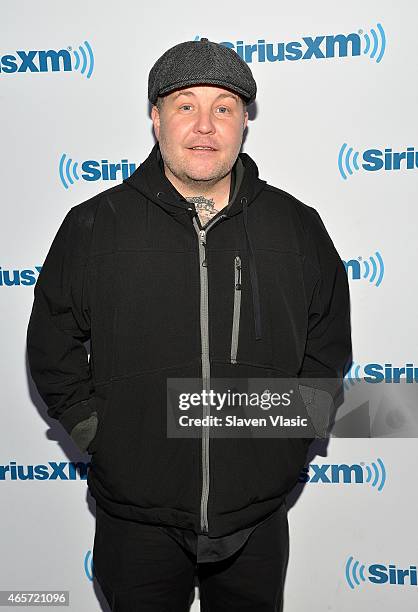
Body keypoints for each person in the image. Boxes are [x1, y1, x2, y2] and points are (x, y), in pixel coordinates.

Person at [26, 37, 352, 611]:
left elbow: (327, 348)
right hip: (136, 518)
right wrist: (99, 438)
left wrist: (291, 442)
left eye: (223, 107)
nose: (205, 125)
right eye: (185, 104)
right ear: (156, 118)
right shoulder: (94, 225)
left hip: (255, 516)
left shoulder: (297, 227)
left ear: (244, 122)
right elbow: (52, 347)